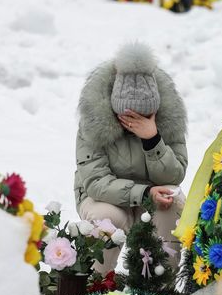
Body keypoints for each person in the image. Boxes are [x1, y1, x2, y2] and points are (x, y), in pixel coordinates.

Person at [74, 42, 187, 275]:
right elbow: (96, 182)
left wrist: (152, 139)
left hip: (153, 194)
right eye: (129, 117)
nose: (137, 122)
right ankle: (96, 282)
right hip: (105, 198)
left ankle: (159, 286)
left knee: (172, 207)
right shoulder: (94, 120)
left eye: (144, 116)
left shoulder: (168, 118)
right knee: (107, 218)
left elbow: (175, 175)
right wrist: (144, 193)